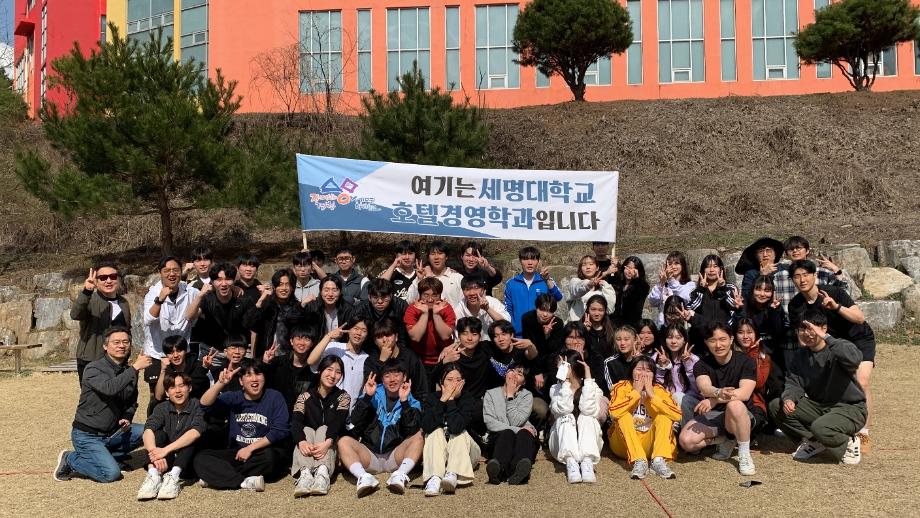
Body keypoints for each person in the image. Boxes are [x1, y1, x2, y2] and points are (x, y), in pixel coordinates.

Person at [786, 259, 875, 450]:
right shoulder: (795, 305)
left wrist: (836, 307)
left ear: (814, 275)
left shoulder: (834, 292)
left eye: (806, 274)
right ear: (792, 280)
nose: (802, 280)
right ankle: (833, 423)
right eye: (797, 276)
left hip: (857, 339)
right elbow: (800, 336)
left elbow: (860, 318)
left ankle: (863, 432)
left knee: (861, 381)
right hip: (831, 347)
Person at [54, 327, 152, 483]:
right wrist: (135, 368)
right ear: (105, 346)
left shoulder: (129, 372)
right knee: (111, 474)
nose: (122, 346)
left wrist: (127, 416)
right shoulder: (93, 368)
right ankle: (70, 459)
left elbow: (132, 401)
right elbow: (109, 388)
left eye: (125, 342)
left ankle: (109, 456)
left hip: (113, 432)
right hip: (87, 435)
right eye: (116, 342)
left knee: (148, 431)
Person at [769, 309, 866, 464]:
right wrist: (789, 399)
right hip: (821, 406)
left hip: (849, 408)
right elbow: (794, 382)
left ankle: (848, 442)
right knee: (776, 406)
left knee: (820, 427)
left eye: (811, 328)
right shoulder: (800, 356)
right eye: (802, 329)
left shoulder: (837, 347)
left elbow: (855, 359)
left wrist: (826, 337)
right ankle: (814, 442)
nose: (807, 333)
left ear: (824, 328)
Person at [193, 360, 291, 491]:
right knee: (201, 458)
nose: (254, 379)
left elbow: (280, 430)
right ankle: (243, 481)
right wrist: (220, 384)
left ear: (264, 378)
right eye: (248, 375)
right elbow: (205, 405)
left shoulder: (274, 397)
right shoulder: (234, 397)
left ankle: (218, 476)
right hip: (238, 453)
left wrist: (250, 448)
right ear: (241, 381)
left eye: (258, 374)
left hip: (262, 452)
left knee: (271, 458)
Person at [678, 322, 758, 476]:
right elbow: (705, 388)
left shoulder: (746, 361)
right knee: (686, 441)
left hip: (742, 415)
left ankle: (744, 453)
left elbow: (744, 394)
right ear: (706, 342)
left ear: (731, 339)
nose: (718, 345)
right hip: (715, 415)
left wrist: (715, 400)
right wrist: (718, 392)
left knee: (735, 405)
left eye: (722, 339)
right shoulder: (701, 364)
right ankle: (724, 439)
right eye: (712, 341)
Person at [337, 360, 424, 497]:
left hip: (394, 455)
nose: (392, 379)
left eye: (396, 375)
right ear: (382, 380)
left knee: (418, 435)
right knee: (343, 441)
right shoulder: (372, 394)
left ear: (404, 377)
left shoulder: (412, 401)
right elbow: (354, 422)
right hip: (370, 455)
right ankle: (363, 477)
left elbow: (411, 429)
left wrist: (404, 401)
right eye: (387, 375)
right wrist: (367, 397)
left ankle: (400, 475)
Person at [608, 356, 681, 480]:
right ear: (631, 371)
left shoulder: (659, 390)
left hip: (651, 444)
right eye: (639, 369)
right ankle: (639, 460)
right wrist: (635, 393)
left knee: (664, 417)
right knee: (623, 416)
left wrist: (652, 396)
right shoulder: (621, 387)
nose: (643, 374)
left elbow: (677, 415)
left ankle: (658, 460)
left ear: (653, 374)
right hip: (624, 445)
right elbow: (614, 413)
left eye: (648, 371)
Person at [136, 372, 206, 500]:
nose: (177, 391)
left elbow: (195, 432)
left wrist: (164, 450)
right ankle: (154, 476)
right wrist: (155, 453)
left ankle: (173, 477)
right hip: (165, 460)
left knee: (190, 437)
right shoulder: (162, 407)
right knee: (157, 434)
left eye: (181, 386)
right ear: (167, 393)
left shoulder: (198, 406)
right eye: (172, 387)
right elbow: (148, 430)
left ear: (189, 388)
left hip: (189, 462)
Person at [142, 256, 199, 413]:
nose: (172, 274)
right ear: (160, 272)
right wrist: (160, 300)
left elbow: (211, 290)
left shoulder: (190, 291)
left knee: (182, 393)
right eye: (167, 270)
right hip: (157, 353)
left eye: (175, 270)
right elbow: (148, 319)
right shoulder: (153, 293)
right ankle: (153, 424)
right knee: (157, 396)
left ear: (181, 272)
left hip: (181, 353)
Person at [290, 355, 351, 497]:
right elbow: (296, 422)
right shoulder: (304, 397)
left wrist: (327, 442)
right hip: (309, 445)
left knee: (324, 429)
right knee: (306, 430)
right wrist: (301, 441)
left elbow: (337, 423)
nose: (333, 375)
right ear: (320, 371)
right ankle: (305, 474)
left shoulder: (343, 397)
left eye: (338, 372)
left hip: (330, 445)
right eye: (329, 369)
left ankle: (322, 474)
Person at [548, 349, 607, 484]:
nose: (558, 368)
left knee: (587, 417)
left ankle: (587, 462)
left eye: (562, 365)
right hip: (561, 444)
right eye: (558, 365)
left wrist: (588, 379)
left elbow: (589, 410)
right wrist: (565, 383)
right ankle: (571, 462)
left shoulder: (592, 387)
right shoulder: (555, 388)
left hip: (589, 444)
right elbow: (563, 410)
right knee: (566, 417)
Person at [420, 364, 480, 496]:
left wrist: (451, 400)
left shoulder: (467, 399)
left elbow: (456, 427)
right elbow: (427, 426)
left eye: (458, 380)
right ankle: (435, 478)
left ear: (463, 382)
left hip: (466, 453)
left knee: (459, 433)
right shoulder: (432, 398)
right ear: (441, 382)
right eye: (450, 379)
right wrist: (442, 400)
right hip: (439, 454)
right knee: (434, 431)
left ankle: (453, 474)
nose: (454, 383)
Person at [71, 261, 132, 383]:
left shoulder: (123, 303)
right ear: (96, 282)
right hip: (92, 360)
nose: (108, 281)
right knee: (94, 395)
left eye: (113, 277)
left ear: (118, 279)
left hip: (119, 360)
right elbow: (75, 314)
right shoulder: (90, 300)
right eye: (103, 278)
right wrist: (87, 291)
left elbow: (127, 330)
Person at [185, 262, 248, 370]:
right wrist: (200, 295)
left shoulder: (241, 299)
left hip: (237, 352)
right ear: (212, 281)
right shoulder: (207, 299)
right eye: (219, 280)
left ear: (234, 280)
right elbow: (189, 317)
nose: (223, 283)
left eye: (228, 279)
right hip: (212, 352)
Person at [482, 362, 537, 485]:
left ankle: (519, 471)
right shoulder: (491, 394)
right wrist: (517, 429)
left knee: (525, 434)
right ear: (506, 373)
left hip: (523, 440)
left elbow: (517, 421)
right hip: (499, 438)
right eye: (512, 370)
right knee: (507, 433)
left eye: (520, 374)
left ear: (524, 382)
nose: (514, 375)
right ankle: (498, 471)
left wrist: (510, 396)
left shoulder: (526, 395)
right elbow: (490, 422)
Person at [771, 235, 849, 312]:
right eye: (791, 249)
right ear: (786, 253)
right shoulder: (779, 275)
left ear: (807, 250)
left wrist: (836, 270)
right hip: (790, 317)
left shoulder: (822, 272)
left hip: (819, 317)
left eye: (798, 248)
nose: (795, 251)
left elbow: (844, 294)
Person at [307, 316, 371, 408]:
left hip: (350, 412)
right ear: (349, 330)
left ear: (367, 335)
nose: (358, 333)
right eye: (355, 328)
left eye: (364, 330)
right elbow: (311, 361)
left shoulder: (367, 359)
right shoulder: (334, 347)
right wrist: (328, 336)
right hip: (326, 409)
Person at [735, 318, 784, 436]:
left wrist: (752, 354)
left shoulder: (763, 357)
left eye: (749, 332)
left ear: (756, 334)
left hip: (754, 402)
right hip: (732, 399)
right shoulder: (729, 355)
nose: (745, 336)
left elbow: (757, 383)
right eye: (741, 332)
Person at [244, 268, 305, 360]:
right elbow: (248, 323)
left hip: (289, 357)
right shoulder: (267, 305)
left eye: (287, 284)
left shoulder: (298, 307)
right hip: (265, 355)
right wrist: (260, 301)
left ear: (293, 287)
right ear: (274, 287)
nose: (284, 288)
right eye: (280, 285)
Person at [363, 317, 428, 403]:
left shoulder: (410, 358)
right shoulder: (370, 361)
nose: (385, 340)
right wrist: (381, 362)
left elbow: (421, 390)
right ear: (375, 341)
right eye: (379, 337)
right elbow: (371, 387)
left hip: (407, 404)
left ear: (396, 337)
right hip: (379, 406)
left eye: (388, 335)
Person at [404, 277, 457, 380]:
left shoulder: (446, 307)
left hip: (443, 357)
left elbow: (445, 336)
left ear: (440, 295)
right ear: (420, 295)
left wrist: (436, 314)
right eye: (426, 295)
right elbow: (416, 337)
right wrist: (424, 314)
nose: (430, 299)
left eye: (435, 295)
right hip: (419, 359)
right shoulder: (413, 308)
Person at [504, 246, 563, 335]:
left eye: (533, 259)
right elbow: (508, 310)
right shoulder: (511, 283)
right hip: (518, 334)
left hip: (542, 333)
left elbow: (558, 297)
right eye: (525, 259)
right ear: (520, 261)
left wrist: (547, 280)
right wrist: (511, 329)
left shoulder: (546, 281)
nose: (530, 263)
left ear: (538, 261)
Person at [738, 274, 791, 373]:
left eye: (767, 290)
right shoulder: (744, 306)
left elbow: (779, 332)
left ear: (772, 292)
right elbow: (738, 329)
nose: (762, 294)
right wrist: (738, 310)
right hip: (748, 356)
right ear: (752, 290)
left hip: (773, 358)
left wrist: (774, 311)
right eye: (758, 289)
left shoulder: (776, 308)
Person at [686, 254, 741, 347]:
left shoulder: (730, 288)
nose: (711, 270)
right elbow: (691, 309)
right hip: (702, 337)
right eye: (708, 267)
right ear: (703, 270)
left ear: (721, 269)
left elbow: (734, 307)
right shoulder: (697, 291)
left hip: (723, 337)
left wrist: (723, 288)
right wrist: (702, 290)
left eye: (715, 266)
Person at [260, 325, 318, 413]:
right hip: (277, 412)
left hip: (301, 415)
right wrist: (265, 363)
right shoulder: (278, 363)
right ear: (291, 341)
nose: (302, 343)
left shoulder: (313, 369)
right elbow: (263, 383)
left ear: (312, 344)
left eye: (307, 339)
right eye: (298, 338)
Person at [519, 293, 565, 397]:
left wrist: (547, 336)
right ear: (536, 308)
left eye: (550, 311)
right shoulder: (527, 319)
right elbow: (530, 347)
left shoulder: (558, 323)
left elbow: (553, 349)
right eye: (542, 310)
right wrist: (537, 371)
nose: (545, 314)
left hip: (549, 361)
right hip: (531, 360)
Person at [653, 324, 699, 409]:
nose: (673, 341)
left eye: (678, 338)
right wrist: (661, 368)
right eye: (670, 337)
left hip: (688, 401)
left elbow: (697, 388)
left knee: (678, 396)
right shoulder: (657, 357)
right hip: (666, 400)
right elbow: (656, 386)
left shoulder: (693, 359)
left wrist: (688, 365)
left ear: (684, 340)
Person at [407, 241, 465, 306]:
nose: (436, 257)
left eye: (440, 253)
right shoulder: (422, 277)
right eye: (432, 254)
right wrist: (419, 280)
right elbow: (410, 301)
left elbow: (463, 303)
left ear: (446, 256)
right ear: (428, 258)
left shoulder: (457, 278)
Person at [153, 336, 209, 403]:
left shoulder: (197, 365)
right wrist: (163, 371)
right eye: (171, 352)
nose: (175, 355)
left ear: (185, 351)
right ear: (166, 355)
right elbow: (158, 397)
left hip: (196, 403)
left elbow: (194, 389)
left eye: (179, 351)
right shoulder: (165, 368)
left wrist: (203, 368)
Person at [354, 277, 409, 346]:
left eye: (384, 297)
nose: (380, 301)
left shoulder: (400, 306)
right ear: (369, 297)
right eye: (375, 297)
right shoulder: (361, 309)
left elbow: (404, 335)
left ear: (391, 296)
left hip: (396, 345)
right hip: (369, 346)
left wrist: (400, 350)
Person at [648, 251, 696, 327]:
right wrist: (661, 283)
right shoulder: (662, 285)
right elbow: (652, 301)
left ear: (683, 266)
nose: (673, 267)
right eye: (670, 264)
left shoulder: (690, 285)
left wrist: (671, 279)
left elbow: (686, 298)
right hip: (663, 327)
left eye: (676, 263)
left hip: (682, 327)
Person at [582, 294, 617, 393]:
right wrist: (585, 332)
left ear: (605, 311)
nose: (597, 313)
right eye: (593, 309)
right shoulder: (580, 328)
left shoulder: (612, 330)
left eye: (600, 310)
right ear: (588, 310)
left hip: (607, 376)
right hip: (587, 375)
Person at [567, 255, 617, 323]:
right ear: (580, 268)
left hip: (596, 326)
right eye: (584, 265)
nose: (588, 267)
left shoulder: (604, 286)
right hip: (577, 325)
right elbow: (577, 289)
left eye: (591, 264)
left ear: (597, 268)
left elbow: (610, 309)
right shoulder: (575, 282)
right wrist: (588, 284)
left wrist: (606, 286)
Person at [601, 325, 642, 396]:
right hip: (619, 398)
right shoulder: (609, 362)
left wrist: (638, 361)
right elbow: (612, 389)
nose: (622, 343)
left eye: (626, 339)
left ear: (635, 340)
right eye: (618, 339)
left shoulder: (643, 360)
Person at [611, 256, 651, 328]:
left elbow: (639, 290)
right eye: (628, 268)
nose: (630, 271)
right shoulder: (618, 283)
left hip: (633, 325)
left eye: (634, 268)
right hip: (616, 324)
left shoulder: (642, 286)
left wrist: (636, 279)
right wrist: (617, 265)